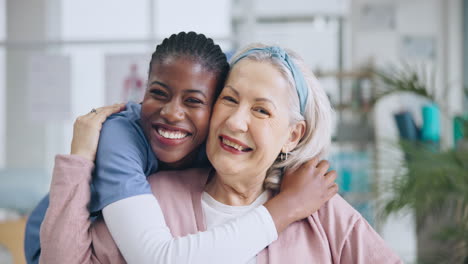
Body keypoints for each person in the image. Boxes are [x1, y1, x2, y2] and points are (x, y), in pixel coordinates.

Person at [40, 44, 402, 263]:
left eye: (261, 110)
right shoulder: (153, 197)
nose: (236, 121)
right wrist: (79, 159)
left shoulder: (322, 213)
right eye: (230, 100)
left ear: (293, 135)